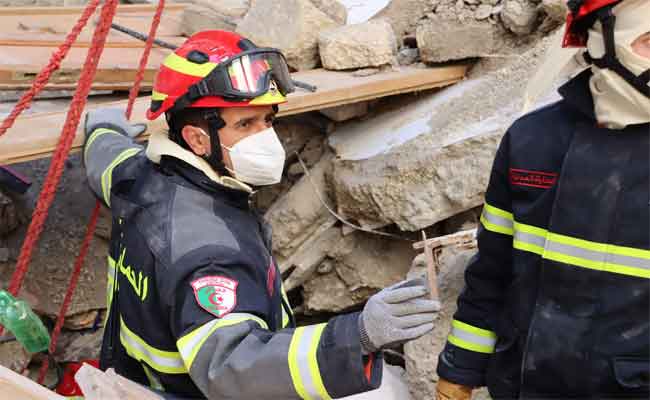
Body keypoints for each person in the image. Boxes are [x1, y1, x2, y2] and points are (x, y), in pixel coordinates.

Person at [82, 30, 440, 399]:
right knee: (386, 389)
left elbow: (104, 158)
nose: (265, 137)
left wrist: (102, 129)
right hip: (196, 393)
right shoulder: (209, 248)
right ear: (197, 139)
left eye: (267, 120)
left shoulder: (137, 176)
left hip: (136, 378)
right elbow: (231, 365)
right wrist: (358, 336)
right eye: (245, 125)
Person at [434, 0, 649, 398]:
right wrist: (459, 370)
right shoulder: (531, 141)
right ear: (603, 40)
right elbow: (491, 272)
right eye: (649, 41)